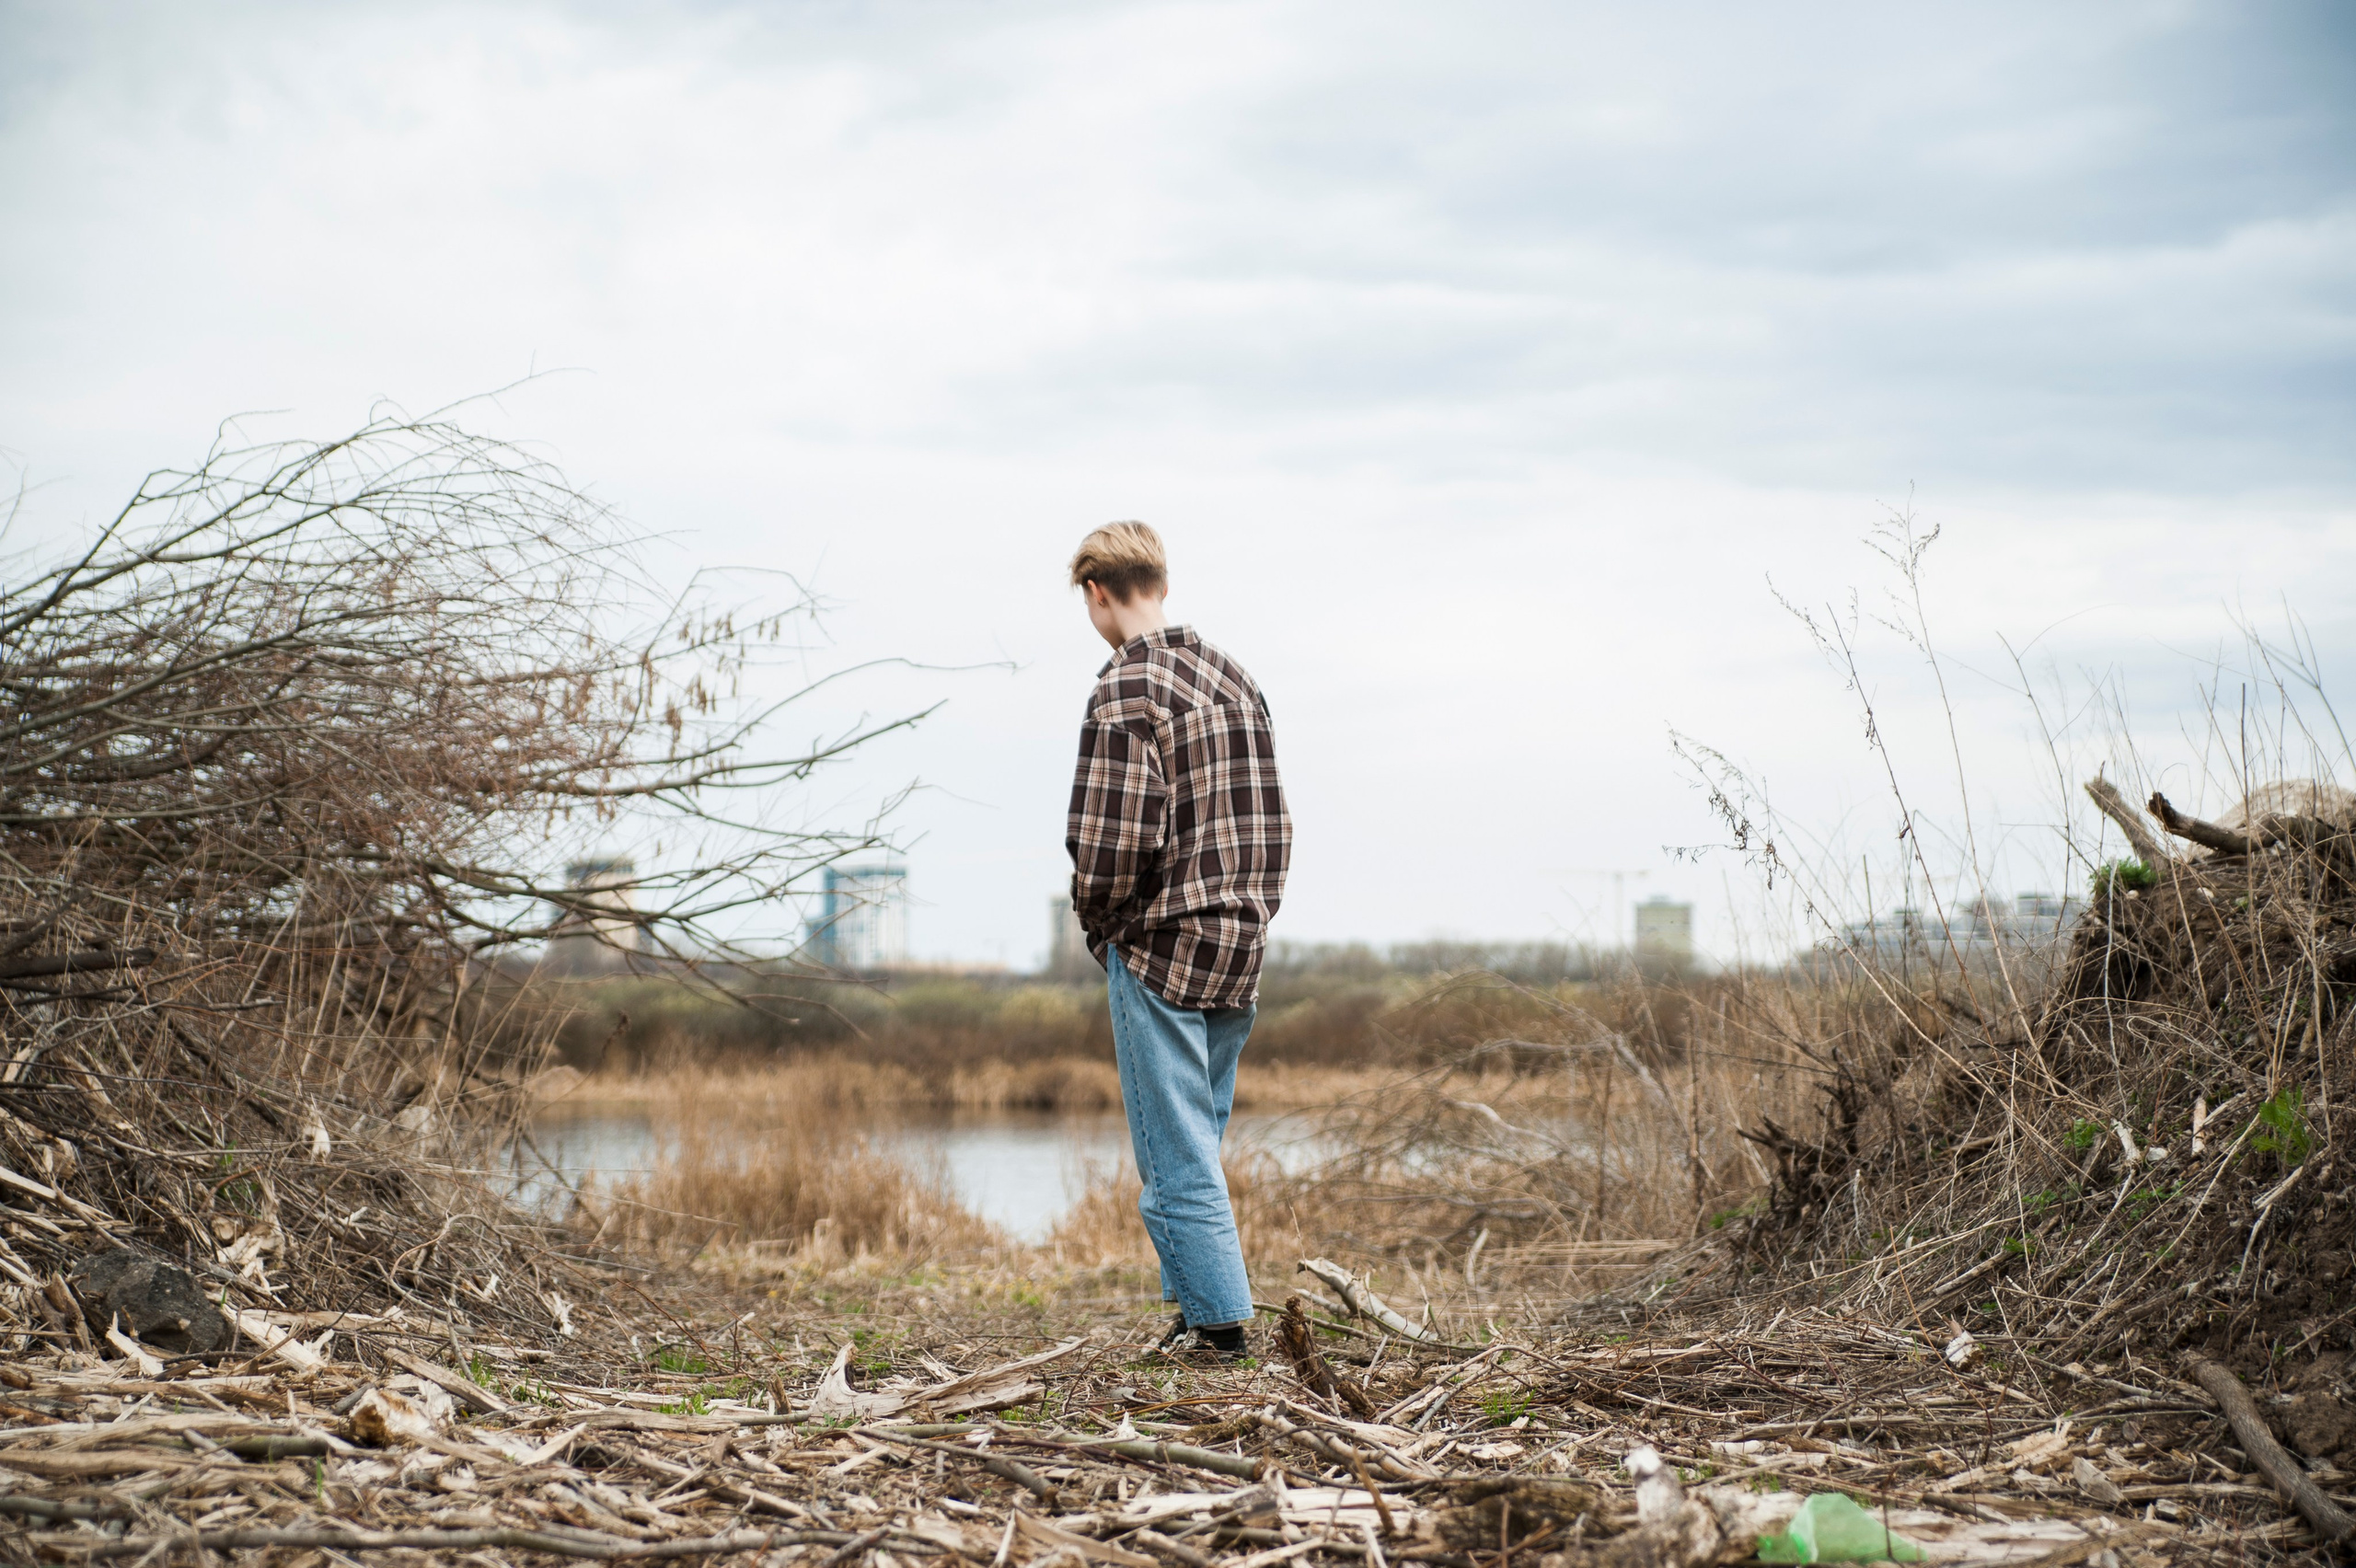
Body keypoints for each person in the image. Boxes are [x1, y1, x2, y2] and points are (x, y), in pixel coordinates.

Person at [1064, 522, 1291, 1364]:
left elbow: (1109, 844)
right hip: (1240, 943)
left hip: (1161, 944)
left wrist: (1102, 924)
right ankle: (1199, 1310)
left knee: (1176, 1153)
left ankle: (1220, 1332)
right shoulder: (1237, 679)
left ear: (1096, 593)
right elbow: (1273, 820)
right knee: (1197, 1139)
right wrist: (1254, 915)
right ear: (1158, 579)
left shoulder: (1126, 688)